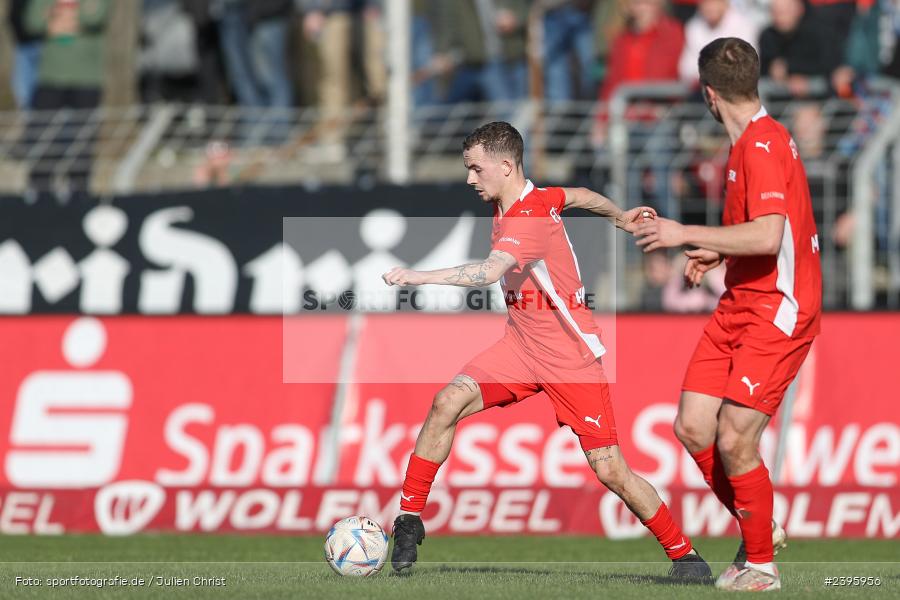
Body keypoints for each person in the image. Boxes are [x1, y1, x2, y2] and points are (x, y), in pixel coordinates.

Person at [381, 121, 713, 580]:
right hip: (519, 347)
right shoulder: (530, 198)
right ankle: (409, 520)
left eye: (476, 170)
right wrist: (618, 215)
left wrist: (418, 278)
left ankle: (685, 556)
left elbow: (487, 272)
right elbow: (577, 195)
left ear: (505, 165)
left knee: (610, 469)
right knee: (446, 401)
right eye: (467, 170)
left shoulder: (526, 219)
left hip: (569, 358)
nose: (470, 179)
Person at [634, 37, 822, 591]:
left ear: (708, 94)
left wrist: (681, 232)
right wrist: (719, 249)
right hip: (740, 300)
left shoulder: (761, 146)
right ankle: (761, 522)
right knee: (694, 427)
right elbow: (768, 232)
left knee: (736, 438)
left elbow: (767, 235)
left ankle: (760, 565)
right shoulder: (747, 144)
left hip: (778, 309)